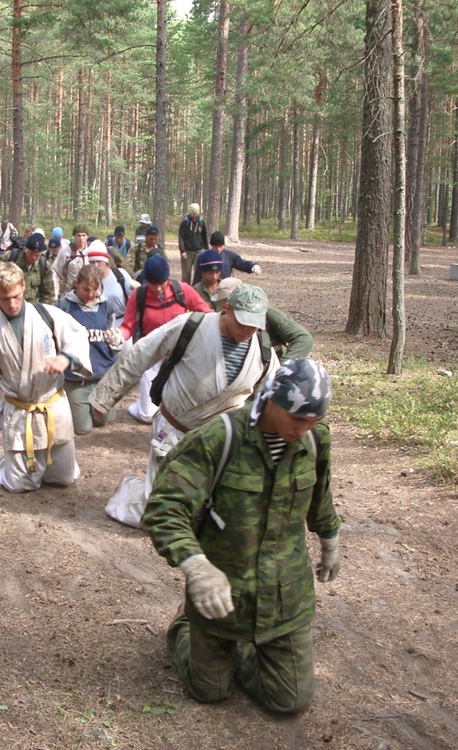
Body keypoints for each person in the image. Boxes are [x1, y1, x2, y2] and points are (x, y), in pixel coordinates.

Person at [142, 358, 340, 714]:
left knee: (291, 701)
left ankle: (250, 647)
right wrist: (197, 567)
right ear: (272, 401)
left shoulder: (313, 439)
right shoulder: (218, 438)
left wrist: (329, 537)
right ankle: (184, 623)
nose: (304, 429)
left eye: (314, 421)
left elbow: (319, 493)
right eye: (297, 419)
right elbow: (164, 510)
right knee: (210, 690)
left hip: (284, 596)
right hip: (221, 596)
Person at [92, 283, 277, 524]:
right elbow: (141, 353)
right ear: (226, 307)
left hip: (222, 441)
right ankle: (130, 485)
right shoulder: (192, 326)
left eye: (255, 325)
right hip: (174, 430)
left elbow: (271, 399)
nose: (248, 330)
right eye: (243, 322)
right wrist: (104, 397)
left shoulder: (263, 351)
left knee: (214, 520)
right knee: (159, 517)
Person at [0, 261, 92, 493]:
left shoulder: (46, 315)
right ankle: (8, 466)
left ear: (23, 286)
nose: (12, 304)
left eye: (17, 296)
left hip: (51, 405)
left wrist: (67, 358)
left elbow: (78, 335)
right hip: (19, 409)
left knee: (64, 478)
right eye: (4, 299)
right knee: (20, 485)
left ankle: (34, 463)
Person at [114, 254, 212, 423]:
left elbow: (207, 314)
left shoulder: (182, 290)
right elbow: (127, 326)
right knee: (147, 416)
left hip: (179, 357)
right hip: (152, 357)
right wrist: (118, 335)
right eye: (153, 284)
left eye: (162, 283)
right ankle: (137, 406)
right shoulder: (139, 295)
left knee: (180, 412)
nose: (158, 289)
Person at [57, 265, 121, 434]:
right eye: (86, 289)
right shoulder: (64, 307)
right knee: (82, 428)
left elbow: (114, 338)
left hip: (102, 375)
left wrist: (116, 341)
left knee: (103, 422)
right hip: (77, 379)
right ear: (76, 283)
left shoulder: (106, 306)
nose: (91, 295)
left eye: (95, 289)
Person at [213, 278, 314, 361]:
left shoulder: (269, 314)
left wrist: (282, 368)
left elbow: (304, 339)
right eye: (221, 302)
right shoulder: (217, 317)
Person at [86, 241, 135, 327]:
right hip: (99, 327)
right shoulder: (87, 280)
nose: (95, 265)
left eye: (98, 261)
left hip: (122, 325)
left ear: (105, 261)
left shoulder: (120, 275)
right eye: (92, 262)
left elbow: (135, 297)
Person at [192, 231, 261, 285]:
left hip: (224, 288)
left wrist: (252, 266)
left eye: (220, 246)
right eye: (215, 247)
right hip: (207, 288)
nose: (218, 249)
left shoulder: (230, 256)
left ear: (224, 245)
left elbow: (242, 263)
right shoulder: (203, 257)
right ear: (211, 245)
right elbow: (197, 277)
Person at [9, 233, 55, 304]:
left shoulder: (43, 266)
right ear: (25, 249)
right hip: (10, 305)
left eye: (37, 255)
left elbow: (48, 295)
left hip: (32, 309)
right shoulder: (10, 258)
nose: (33, 257)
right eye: (30, 253)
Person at [52, 225, 89, 296]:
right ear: (74, 236)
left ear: (87, 236)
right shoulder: (65, 251)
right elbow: (55, 272)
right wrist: (55, 293)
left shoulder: (91, 251)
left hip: (89, 293)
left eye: (83, 235)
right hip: (70, 293)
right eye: (78, 235)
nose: (81, 238)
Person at [178, 202, 209, 284]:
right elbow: (181, 237)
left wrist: (207, 250)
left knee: (199, 273)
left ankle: (197, 291)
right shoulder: (185, 222)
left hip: (199, 251)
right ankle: (185, 291)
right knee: (186, 275)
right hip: (187, 252)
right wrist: (182, 251)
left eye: (196, 214)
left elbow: (204, 237)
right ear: (190, 213)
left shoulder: (201, 222)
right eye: (193, 214)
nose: (195, 216)